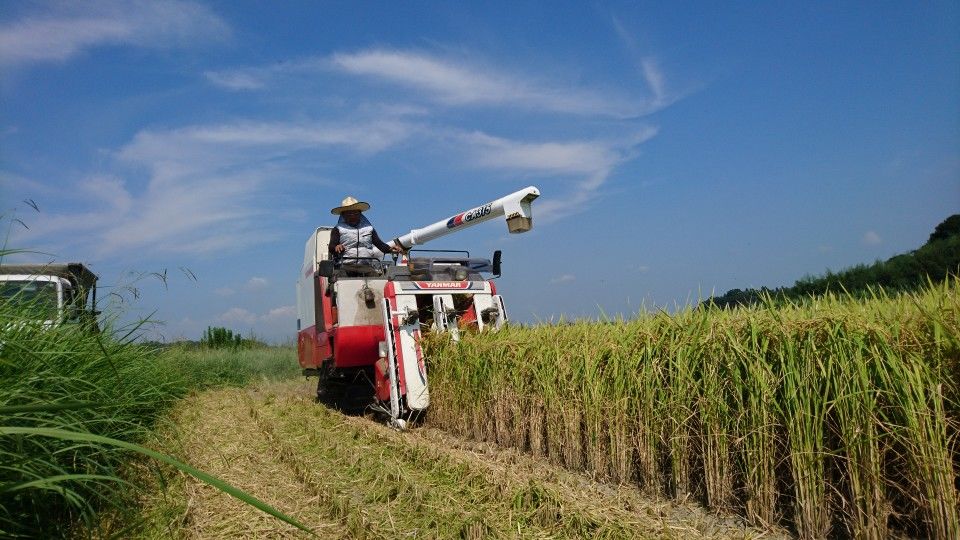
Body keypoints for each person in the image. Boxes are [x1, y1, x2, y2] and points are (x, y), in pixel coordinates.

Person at [328, 196, 402, 274]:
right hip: (345, 266)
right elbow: (331, 247)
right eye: (349, 213)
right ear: (343, 215)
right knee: (339, 283)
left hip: (366, 267)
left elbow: (379, 244)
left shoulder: (369, 228)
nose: (352, 215)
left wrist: (390, 249)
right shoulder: (338, 229)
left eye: (355, 213)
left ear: (360, 213)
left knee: (379, 282)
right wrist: (336, 247)